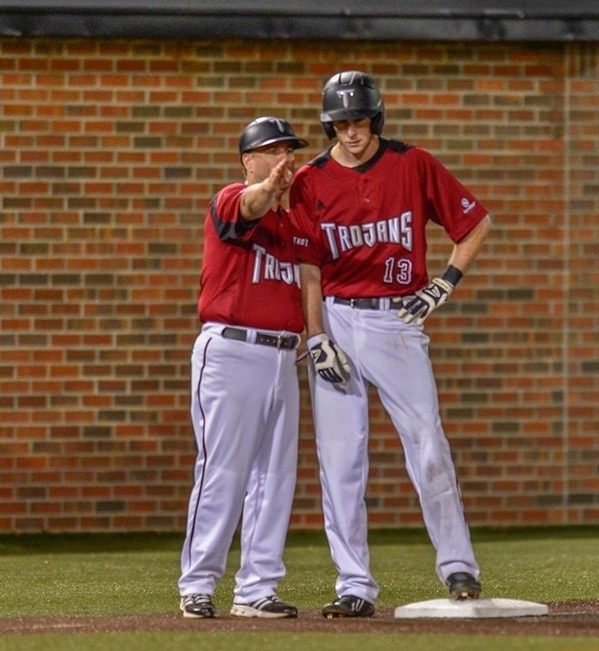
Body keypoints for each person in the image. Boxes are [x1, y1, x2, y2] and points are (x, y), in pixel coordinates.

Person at [288, 71, 492, 618]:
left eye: (359, 120)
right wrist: (315, 337)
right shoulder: (310, 180)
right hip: (336, 317)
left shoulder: (413, 163)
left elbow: (474, 224)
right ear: (329, 124)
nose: (351, 131)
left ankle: (458, 566)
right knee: (340, 460)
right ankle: (354, 584)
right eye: (340, 122)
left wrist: (444, 282)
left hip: (396, 319)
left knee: (427, 442)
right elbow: (309, 268)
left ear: (375, 119)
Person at [177, 116, 308, 619]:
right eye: (271, 150)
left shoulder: (293, 224)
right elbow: (250, 206)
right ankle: (198, 584)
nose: (282, 159)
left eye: (288, 151)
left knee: (275, 478)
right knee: (223, 473)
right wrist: (266, 188)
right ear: (248, 160)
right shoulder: (233, 197)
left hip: (282, 356)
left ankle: (257, 588)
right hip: (231, 350)